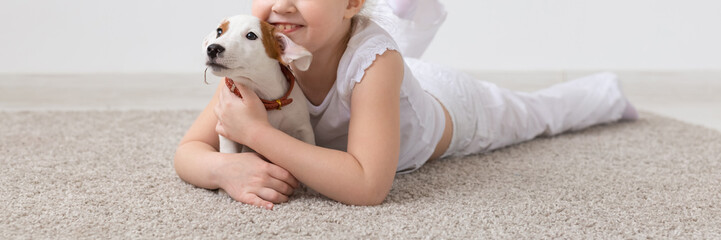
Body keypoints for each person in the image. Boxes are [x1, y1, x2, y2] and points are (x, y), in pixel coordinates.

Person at [174, 0, 638, 210]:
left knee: (536, 114)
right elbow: (188, 152)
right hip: (386, 79)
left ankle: (605, 93)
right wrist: (223, 170)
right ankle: (411, 14)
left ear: (352, 0)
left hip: (453, 108)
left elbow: (367, 186)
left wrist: (256, 134)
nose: (282, 5)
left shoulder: (377, 64)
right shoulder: (257, 54)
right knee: (384, 60)